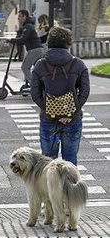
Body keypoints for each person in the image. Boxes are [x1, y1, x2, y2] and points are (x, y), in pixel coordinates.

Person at [30, 26, 90, 165]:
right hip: (72, 119)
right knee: (70, 162)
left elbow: (35, 93)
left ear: (48, 43)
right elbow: (84, 92)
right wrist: (69, 112)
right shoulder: (78, 65)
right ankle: (69, 187)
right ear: (68, 44)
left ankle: (50, 187)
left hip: (48, 120)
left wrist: (51, 110)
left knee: (48, 163)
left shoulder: (40, 65)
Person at [7, 9, 45, 90]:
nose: (18, 18)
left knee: (25, 67)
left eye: (20, 16)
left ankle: (34, 86)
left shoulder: (27, 26)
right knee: (37, 69)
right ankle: (40, 84)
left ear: (25, 16)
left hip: (34, 50)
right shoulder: (28, 26)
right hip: (38, 49)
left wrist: (12, 40)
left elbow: (23, 39)